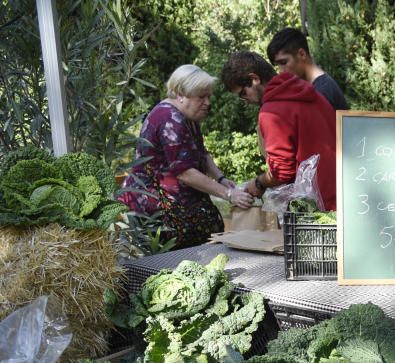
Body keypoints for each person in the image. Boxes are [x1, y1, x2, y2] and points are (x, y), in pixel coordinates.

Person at [119, 64, 254, 248]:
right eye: (201, 97)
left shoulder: (189, 117)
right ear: (180, 94)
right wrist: (229, 195)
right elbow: (185, 173)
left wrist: (222, 179)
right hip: (158, 210)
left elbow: (202, 154)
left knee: (211, 229)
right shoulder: (168, 119)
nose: (207, 102)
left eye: (208, 96)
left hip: (178, 205)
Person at [221, 52, 338, 211]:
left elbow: (281, 172)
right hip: (345, 195)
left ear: (254, 79)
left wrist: (258, 183)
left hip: (320, 209)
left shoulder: (271, 112)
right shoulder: (310, 93)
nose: (245, 101)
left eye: (243, 93)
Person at [266, 28, 350, 112]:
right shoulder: (318, 87)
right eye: (278, 65)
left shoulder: (321, 91)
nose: (281, 71)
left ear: (302, 54)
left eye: (284, 62)